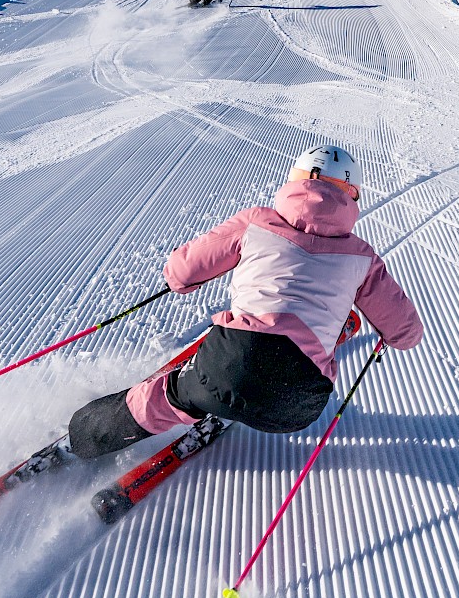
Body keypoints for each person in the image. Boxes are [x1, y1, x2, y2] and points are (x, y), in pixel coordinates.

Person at [67, 144, 423, 457]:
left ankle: (84, 437)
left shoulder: (258, 222)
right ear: (352, 197)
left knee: (170, 398)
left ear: (295, 183)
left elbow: (180, 271)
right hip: (299, 405)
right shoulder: (363, 258)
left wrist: (182, 281)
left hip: (229, 367)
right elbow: (406, 334)